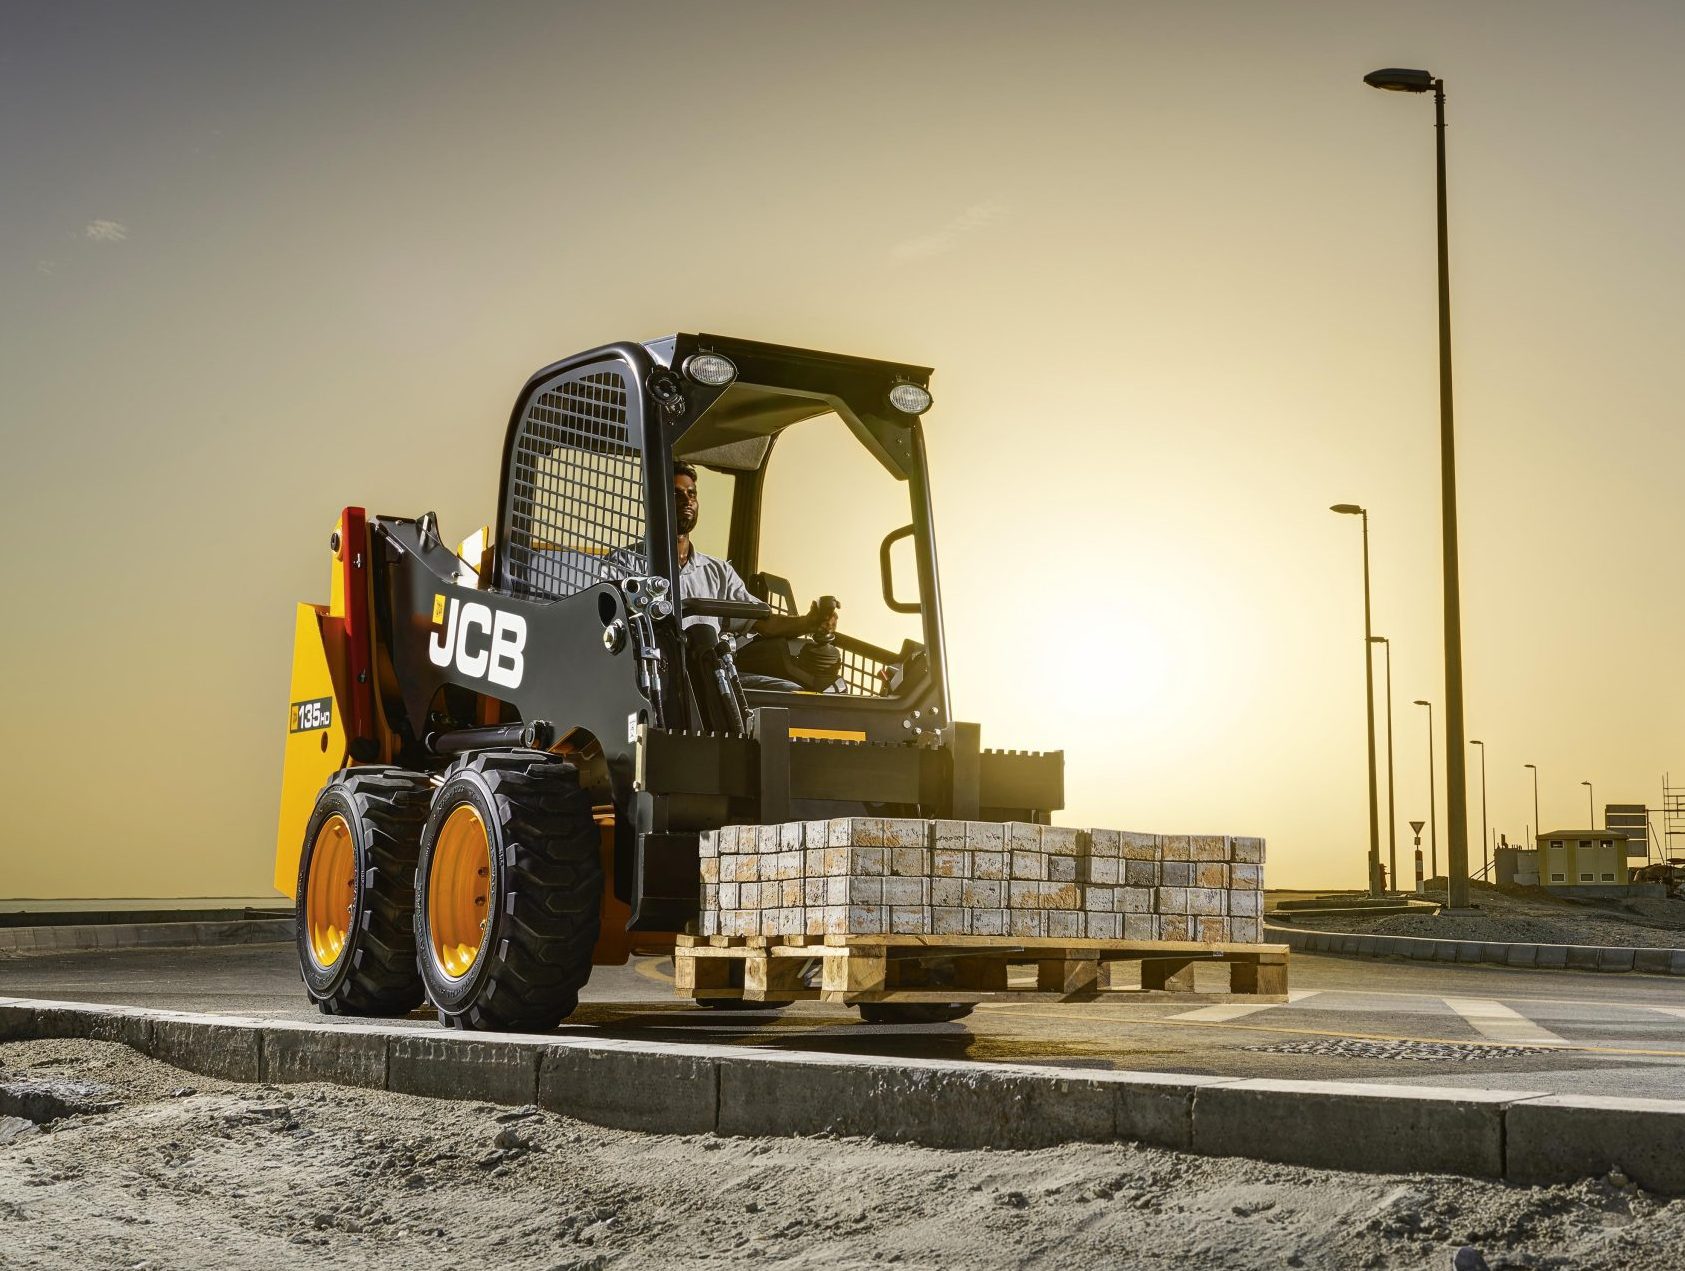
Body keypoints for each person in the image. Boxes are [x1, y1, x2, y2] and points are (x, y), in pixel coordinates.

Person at [602, 462, 838, 644]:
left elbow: (762, 622)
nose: (687, 501)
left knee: (787, 690)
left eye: (691, 494)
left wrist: (810, 622)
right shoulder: (622, 564)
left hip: (708, 678)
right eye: (676, 494)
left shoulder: (718, 572)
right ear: (653, 503)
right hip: (650, 680)